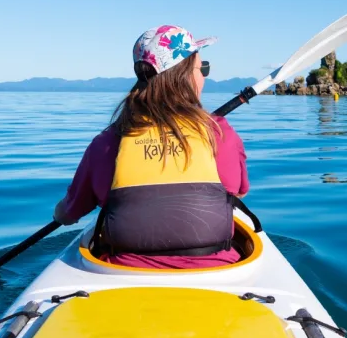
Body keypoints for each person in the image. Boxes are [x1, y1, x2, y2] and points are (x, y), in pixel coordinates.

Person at [53, 25, 249, 269]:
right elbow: (239, 191)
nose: (205, 75)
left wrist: (58, 214)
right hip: (217, 269)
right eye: (203, 68)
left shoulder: (105, 143)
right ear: (186, 76)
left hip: (121, 272)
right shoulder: (220, 133)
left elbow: (69, 214)